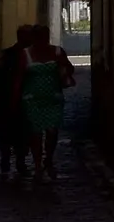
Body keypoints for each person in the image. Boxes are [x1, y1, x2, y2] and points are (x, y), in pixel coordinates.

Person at [12, 24, 75, 182]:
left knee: (52, 132)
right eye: (38, 36)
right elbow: (19, 78)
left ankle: (49, 159)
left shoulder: (57, 52)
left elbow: (69, 69)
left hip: (52, 98)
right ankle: (38, 165)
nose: (41, 40)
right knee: (36, 133)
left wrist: (63, 69)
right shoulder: (25, 54)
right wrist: (15, 99)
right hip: (32, 99)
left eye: (43, 36)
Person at [0, 26, 35, 181]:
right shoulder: (15, 55)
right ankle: (11, 162)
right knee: (12, 133)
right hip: (10, 100)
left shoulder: (9, 54)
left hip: (12, 100)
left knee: (14, 133)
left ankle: (12, 163)